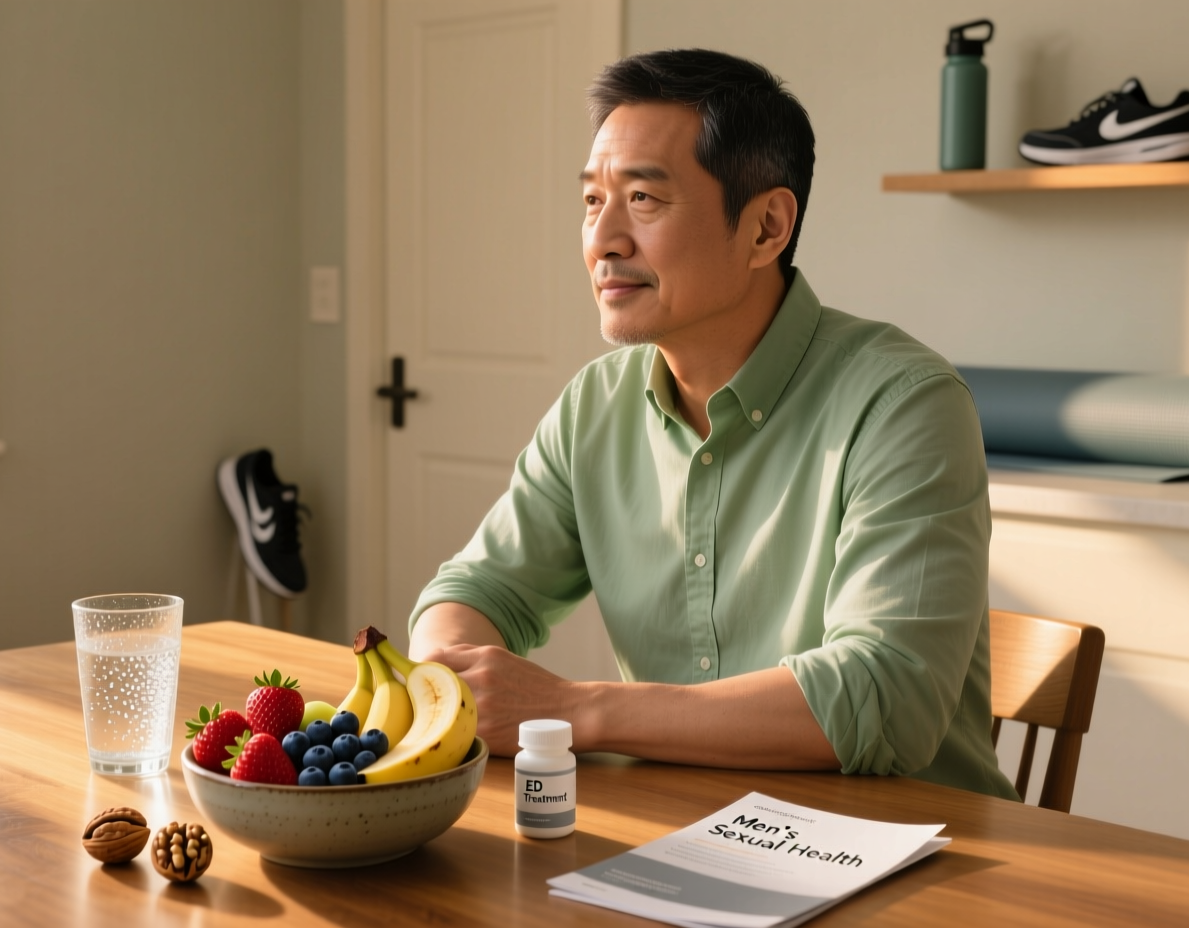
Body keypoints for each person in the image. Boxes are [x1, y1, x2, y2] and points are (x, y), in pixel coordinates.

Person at [408, 48, 1016, 799]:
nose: (603, 241)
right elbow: (476, 590)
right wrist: (452, 673)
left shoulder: (904, 402)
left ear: (766, 227)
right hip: (679, 836)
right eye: (594, 201)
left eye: (644, 201)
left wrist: (574, 711)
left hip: (908, 857)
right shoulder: (595, 406)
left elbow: (886, 698)